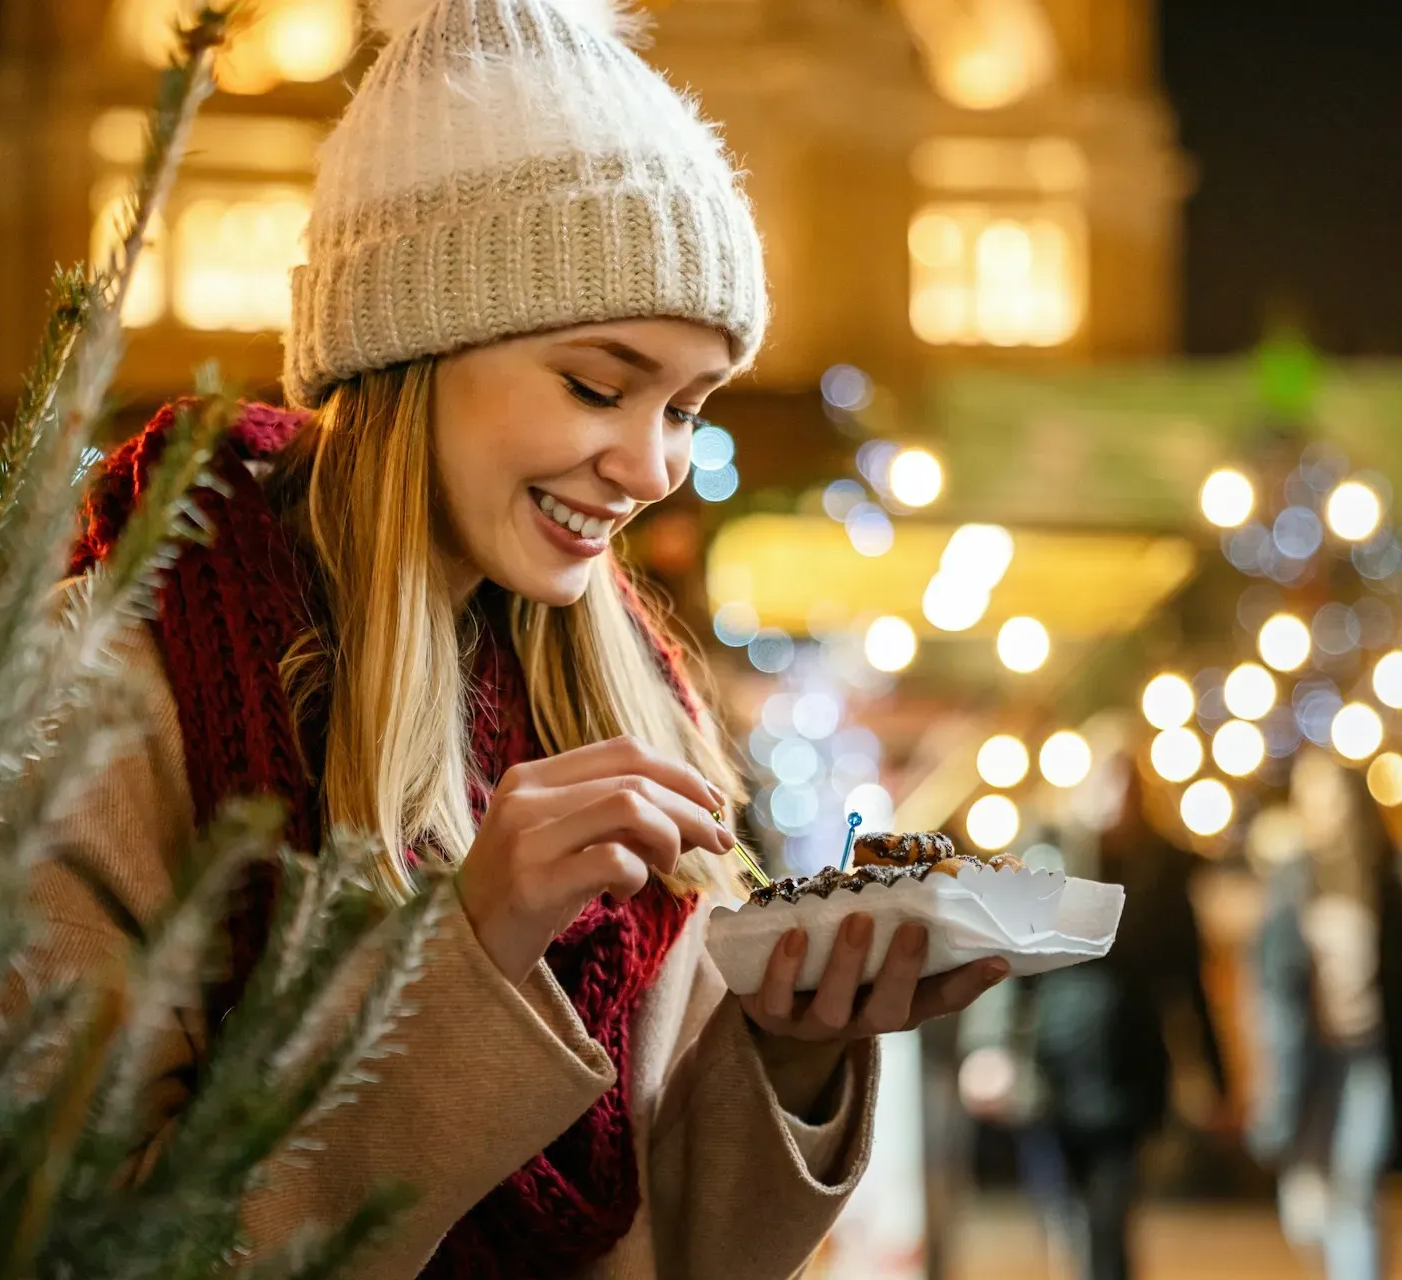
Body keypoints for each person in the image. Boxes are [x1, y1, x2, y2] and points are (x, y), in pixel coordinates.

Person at [20, 1, 1011, 1276]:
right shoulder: (112, 689)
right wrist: (465, 956)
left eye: (685, 405)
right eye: (599, 385)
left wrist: (793, 1044)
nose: (651, 462)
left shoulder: (629, 691)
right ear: (410, 343)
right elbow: (96, 1244)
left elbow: (684, 1244)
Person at [960, 765, 1228, 1280]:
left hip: (1131, 1067)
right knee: (1061, 1210)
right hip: (1053, 1068)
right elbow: (1009, 956)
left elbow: (1188, 975)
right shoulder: (1048, 853)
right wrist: (989, 1046)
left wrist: (1214, 1074)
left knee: (1109, 1216)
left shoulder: (1165, 869)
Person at [1247, 749, 1402, 1280]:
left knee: (1355, 1185)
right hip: (1307, 1059)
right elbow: (1265, 979)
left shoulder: (1383, 875)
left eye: (1333, 797)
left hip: (1367, 1052)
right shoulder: (1289, 879)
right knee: (1309, 1207)